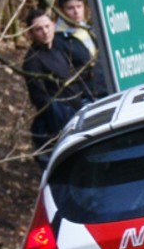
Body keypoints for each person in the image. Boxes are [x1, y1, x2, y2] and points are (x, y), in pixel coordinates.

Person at [22, 9, 94, 164]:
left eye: (47, 26)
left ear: (53, 25)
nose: (45, 32)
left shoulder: (60, 45)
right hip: (60, 123)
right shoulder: (32, 61)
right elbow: (41, 99)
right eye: (38, 29)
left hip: (79, 108)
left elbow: (83, 62)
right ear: (31, 34)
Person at [55, 0, 109, 98]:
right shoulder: (58, 39)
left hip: (104, 89)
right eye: (70, 8)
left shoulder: (91, 30)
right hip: (83, 96)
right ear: (61, 11)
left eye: (79, 6)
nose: (76, 11)